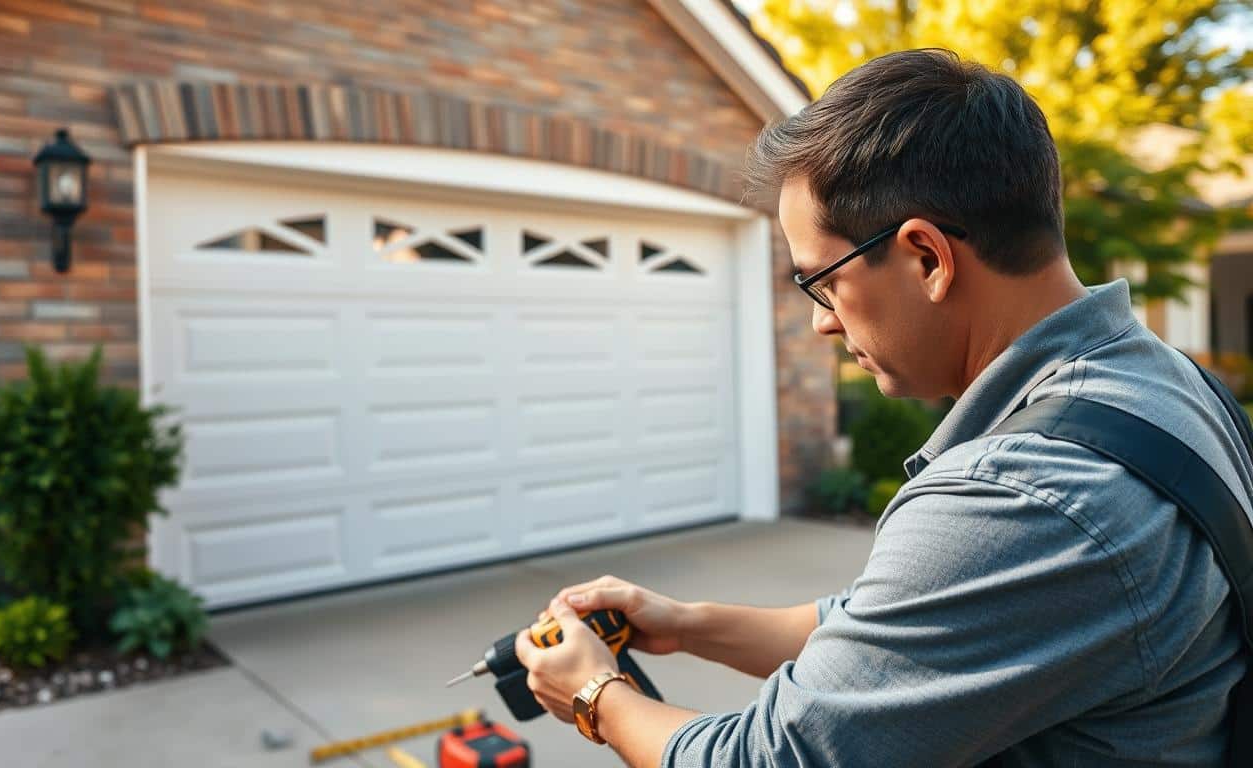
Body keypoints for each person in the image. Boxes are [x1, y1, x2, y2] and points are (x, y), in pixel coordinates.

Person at [514, 48, 1250, 767]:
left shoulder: (1025, 494)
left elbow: (771, 758)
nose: (822, 322)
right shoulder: (1165, 385)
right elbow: (901, 630)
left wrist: (593, 694)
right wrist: (688, 625)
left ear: (926, 257)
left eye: (822, 283)